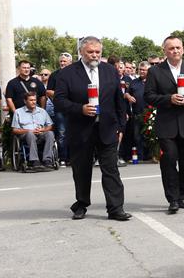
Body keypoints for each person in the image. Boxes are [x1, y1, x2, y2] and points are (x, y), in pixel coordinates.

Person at [53, 36, 131, 221]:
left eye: (98, 52)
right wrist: (80, 109)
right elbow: (59, 101)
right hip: (81, 130)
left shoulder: (110, 71)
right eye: (90, 52)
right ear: (81, 52)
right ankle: (81, 204)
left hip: (107, 128)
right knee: (81, 170)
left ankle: (115, 208)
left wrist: (121, 127)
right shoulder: (67, 73)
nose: (94, 55)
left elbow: (118, 100)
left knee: (111, 169)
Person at [144, 36, 184, 214]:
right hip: (167, 125)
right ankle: (172, 199)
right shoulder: (155, 71)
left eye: (178, 47)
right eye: (171, 48)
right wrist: (169, 99)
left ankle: (182, 196)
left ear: (183, 49)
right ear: (165, 51)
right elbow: (148, 96)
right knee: (169, 160)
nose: (175, 51)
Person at [11, 91, 55, 171]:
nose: (33, 102)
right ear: (25, 101)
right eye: (31, 100)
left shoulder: (42, 111)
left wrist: (43, 129)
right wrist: (29, 130)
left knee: (50, 133)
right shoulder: (18, 112)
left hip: (40, 134)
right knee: (30, 134)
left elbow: (50, 126)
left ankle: (47, 160)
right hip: (26, 135)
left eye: (34, 100)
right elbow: (15, 130)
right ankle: (34, 160)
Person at [46, 52, 73, 166]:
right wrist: (61, 95)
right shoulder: (54, 75)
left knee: (75, 133)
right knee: (62, 133)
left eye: (64, 61)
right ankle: (63, 158)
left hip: (74, 109)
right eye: (61, 61)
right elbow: (48, 91)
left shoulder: (76, 73)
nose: (62, 63)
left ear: (70, 62)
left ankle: (74, 158)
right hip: (60, 109)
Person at [127, 61, 150, 161]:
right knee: (137, 136)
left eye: (144, 70)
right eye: (140, 69)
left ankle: (150, 155)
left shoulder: (152, 82)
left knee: (149, 136)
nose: (142, 71)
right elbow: (126, 93)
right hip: (137, 114)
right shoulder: (134, 82)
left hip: (150, 114)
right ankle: (140, 156)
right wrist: (128, 96)